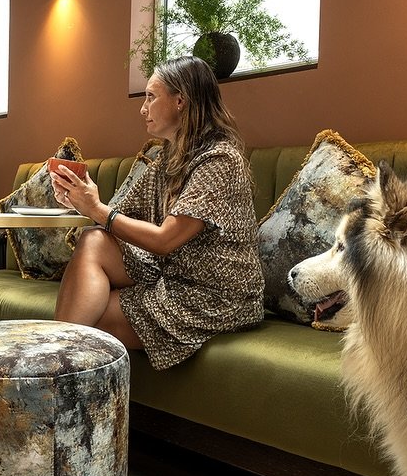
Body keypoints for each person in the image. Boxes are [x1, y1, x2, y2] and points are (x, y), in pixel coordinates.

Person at [50, 56, 264, 370]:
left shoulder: (220, 160)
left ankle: (54, 372)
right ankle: (57, 372)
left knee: (90, 318)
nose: (143, 108)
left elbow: (165, 240)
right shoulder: (169, 156)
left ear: (180, 101)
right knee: (94, 240)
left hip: (215, 295)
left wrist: (97, 209)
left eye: (151, 97)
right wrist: (79, 200)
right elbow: (118, 217)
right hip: (172, 274)